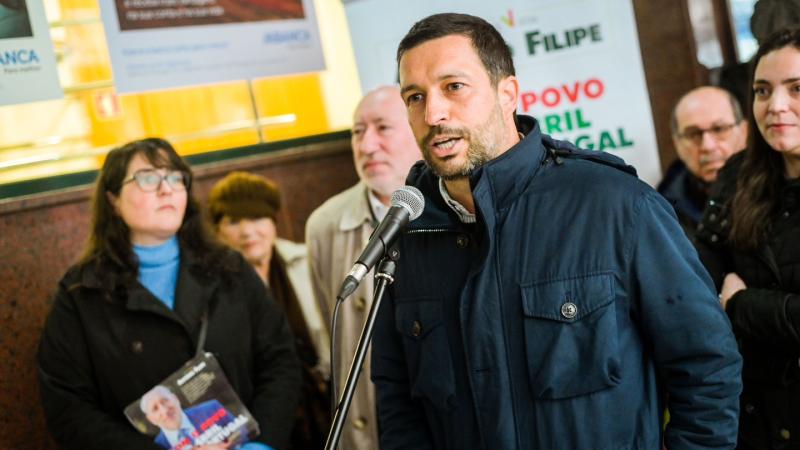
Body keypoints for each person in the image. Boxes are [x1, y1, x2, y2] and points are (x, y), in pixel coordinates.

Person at [370, 13, 743, 450]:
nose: (433, 113)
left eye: (454, 87)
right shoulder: (407, 233)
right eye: (415, 97)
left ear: (507, 93)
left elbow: (707, 368)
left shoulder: (615, 204)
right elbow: (398, 401)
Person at [37, 138, 301, 450]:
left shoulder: (229, 268)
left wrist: (261, 444)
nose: (167, 189)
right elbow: (68, 408)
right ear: (113, 200)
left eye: (176, 177)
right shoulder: (82, 292)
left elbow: (280, 360)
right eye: (148, 178)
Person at [696, 28, 800, 450]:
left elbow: (726, 295)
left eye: (796, 89)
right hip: (755, 417)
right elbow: (700, 276)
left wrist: (740, 304)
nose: (775, 106)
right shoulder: (739, 175)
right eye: (762, 90)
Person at [305, 85, 421, 450]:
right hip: (369, 423)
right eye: (357, 131)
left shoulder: (458, 204)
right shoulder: (325, 224)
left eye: (383, 128)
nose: (367, 145)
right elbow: (333, 321)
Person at [207, 171, 330, 450]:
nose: (247, 231)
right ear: (217, 231)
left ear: (274, 221)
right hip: (259, 419)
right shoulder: (212, 288)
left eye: (256, 217)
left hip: (325, 402)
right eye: (234, 221)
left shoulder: (305, 262)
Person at [657, 86, 748, 237]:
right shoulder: (663, 214)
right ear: (677, 144)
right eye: (693, 134)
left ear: (744, 131)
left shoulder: (778, 191)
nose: (707, 146)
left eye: (719, 129)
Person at [140, 386, 239, 449]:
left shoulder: (211, 408)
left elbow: (243, 430)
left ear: (176, 399)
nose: (164, 411)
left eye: (165, 400)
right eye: (155, 408)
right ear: (151, 419)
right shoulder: (157, 446)